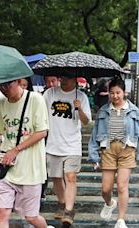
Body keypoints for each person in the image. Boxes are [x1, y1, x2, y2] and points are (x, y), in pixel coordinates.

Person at [0, 79, 52, 228]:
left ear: (18, 81)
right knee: (2, 212)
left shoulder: (35, 99)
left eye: (7, 85)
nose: (3, 89)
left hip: (31, 169)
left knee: (31, 217)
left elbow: (42, 132)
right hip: (6, 168)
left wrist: (15, 150)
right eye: (0, 86)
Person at [88, 77, 139, 228]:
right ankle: (109, 203)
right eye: (112, 93)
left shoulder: (133, 111)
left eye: (118, 92)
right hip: (108, 151)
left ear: (124, 92)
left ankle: (121, 220)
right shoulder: (103, 111)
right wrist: (93, 156)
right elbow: (94, 135)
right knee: (106, 189)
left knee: (121, 186)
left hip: (127, 150)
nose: (115, 96)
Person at [43, 76, 91, 226]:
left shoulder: (81, 96)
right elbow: (41, 113)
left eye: (68, 78)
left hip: (72, 145)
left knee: (70, 177)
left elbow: (86, 121)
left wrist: (79, 108)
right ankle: (62, 203)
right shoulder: (50, 94)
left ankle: (69, 211)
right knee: (56, 177)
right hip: (53, 143)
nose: (64, 81)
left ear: (75, 80)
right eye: (62, 77)